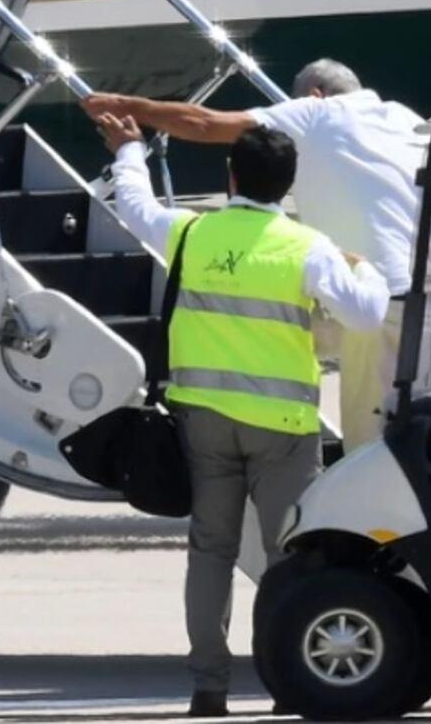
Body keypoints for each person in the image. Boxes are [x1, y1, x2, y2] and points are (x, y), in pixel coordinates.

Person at [96, 115, 389, 717]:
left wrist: (129, 151)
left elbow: (135, 207)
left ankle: (209, 687)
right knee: (291, 557)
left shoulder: (191, 233)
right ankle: (286, 680)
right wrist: (365, 268)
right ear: (289, 184)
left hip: (203, 420)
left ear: (230, 175)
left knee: (211, 550)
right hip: (282, 427)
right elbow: (365, 315)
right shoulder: (307, 247)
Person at [83, 59, 426, 452]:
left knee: (374, 446)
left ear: (314, 94)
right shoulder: (405, 119)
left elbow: (205, 124)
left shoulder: (317, 113)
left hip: (385, 301)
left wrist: (127, 109)